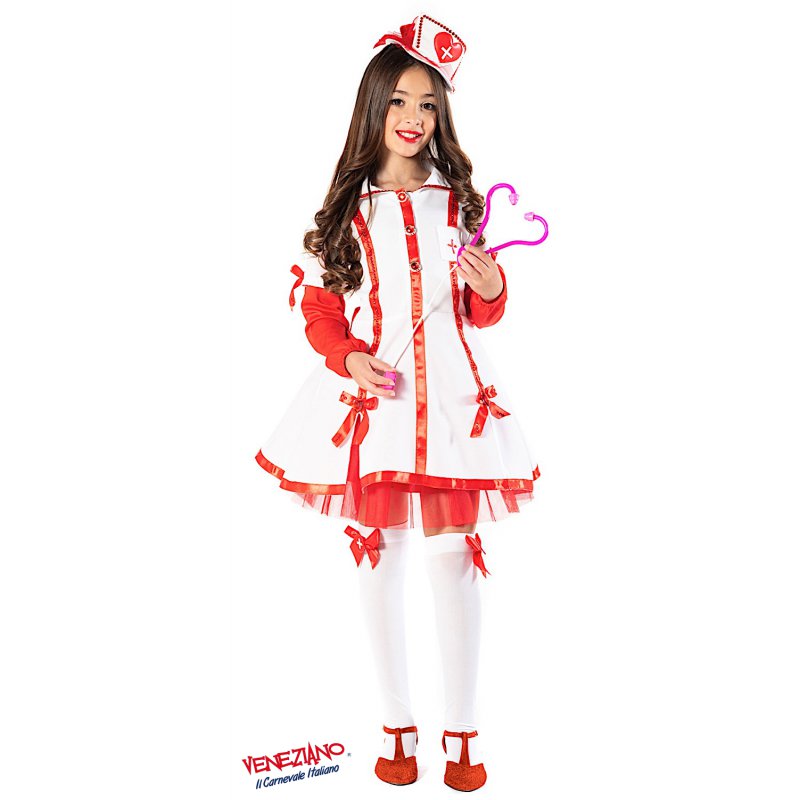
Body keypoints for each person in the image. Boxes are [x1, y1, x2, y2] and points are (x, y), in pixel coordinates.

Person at [254, 13, 541, 791]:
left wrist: (492, 286)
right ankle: (395, 725)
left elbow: (479, 311)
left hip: (453, 402)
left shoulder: (461, 205)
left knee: (456, 564)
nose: (414, 118)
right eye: (400, 102)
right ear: (373, 105)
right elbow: (322, 312)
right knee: (378, 560)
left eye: (429, 104)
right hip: (377, 404)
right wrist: (349, 356)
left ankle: (463, 733)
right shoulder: (345, 212)